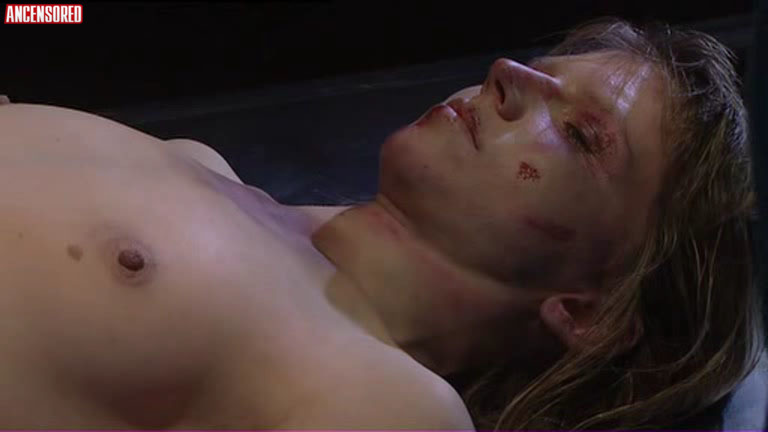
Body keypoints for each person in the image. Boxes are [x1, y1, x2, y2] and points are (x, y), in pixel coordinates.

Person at [0, 17, 762, 430]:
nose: (506, 74)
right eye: (538, 71)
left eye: (582, 134)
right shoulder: (200, 163)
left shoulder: (389, 402)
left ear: (590, 314)